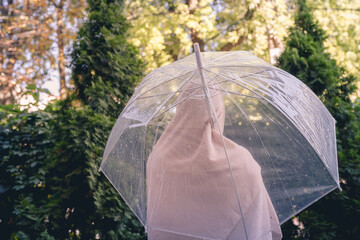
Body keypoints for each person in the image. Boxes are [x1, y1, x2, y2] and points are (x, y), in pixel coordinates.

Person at [146, 77, 282, 240]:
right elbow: (258, 227)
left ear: (182, 108)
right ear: (217, 111)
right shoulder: (241, 162)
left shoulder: (158, 159)